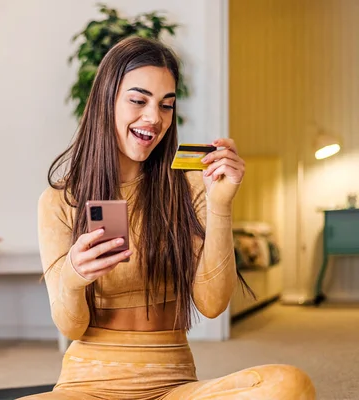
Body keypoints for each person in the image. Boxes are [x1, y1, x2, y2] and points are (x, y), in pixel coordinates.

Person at [21, 37, 315, 400]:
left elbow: (211, 305)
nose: (153, 118)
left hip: (173, 387)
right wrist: (73, 276)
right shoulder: (59, 201)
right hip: (87, 387)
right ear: (105, 101)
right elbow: (72, 325)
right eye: (138, 100)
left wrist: (221, 205)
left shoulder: (190, 185)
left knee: (290, 385)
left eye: (166, 105)